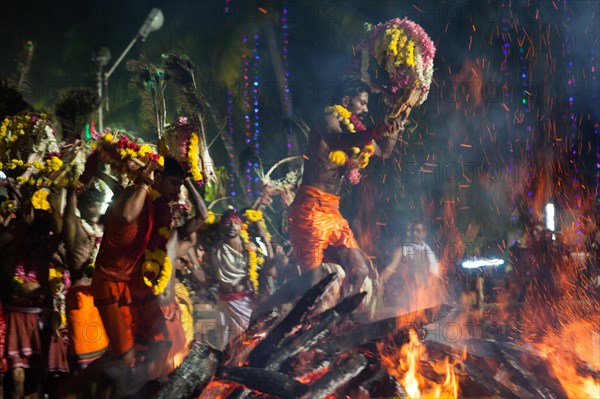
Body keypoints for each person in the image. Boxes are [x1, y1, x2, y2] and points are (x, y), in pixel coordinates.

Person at [253, 77, 419, 319]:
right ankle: (267, 306)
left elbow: (384, 151)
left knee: (360, 270)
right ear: (345, 101)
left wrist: (396, 126)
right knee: (312, 281)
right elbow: (338, 141)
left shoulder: (359, 133)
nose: (365, 109)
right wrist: (379, 129)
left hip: (333, 211)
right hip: (309, 207)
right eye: (362, 103)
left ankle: (339, 319)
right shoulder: (327, 121)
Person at [62, 156, 185, 397]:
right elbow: (128, 216)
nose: (177, 192)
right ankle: (70, 390)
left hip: (135, 285)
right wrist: (144, 180)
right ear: (157, 178)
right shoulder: (133, 194)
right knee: (124, 358)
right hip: (110, 283)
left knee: (160, 342)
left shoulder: (155, 203)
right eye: (174, 184)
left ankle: (116, 385)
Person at [202, 209, 272, 349]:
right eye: (228, 223)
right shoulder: (215, 250)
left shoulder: (250, 249)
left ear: (242, 226)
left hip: (246, 302)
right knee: (225, 344)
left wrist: (267, 242)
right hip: (225, 302)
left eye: (236, 223)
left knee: (248, 342)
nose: (232, 226)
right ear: (222, 225)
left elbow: (269, 266)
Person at [380, 220, 445, 314]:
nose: (415, 234)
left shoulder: (430, 254)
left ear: (424, 233)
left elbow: (437, 278)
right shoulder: (403, 250)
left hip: (425, 297)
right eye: (413, 231)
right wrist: (378, 281)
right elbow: (390, 268)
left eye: (418, 231)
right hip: (407, 298)